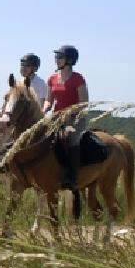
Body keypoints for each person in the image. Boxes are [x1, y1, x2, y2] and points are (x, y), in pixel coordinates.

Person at [42, 45, 88, 190]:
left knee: (71, 138)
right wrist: (44, 109)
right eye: (56, 57)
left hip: (75, 118)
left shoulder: (78, 79)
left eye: (60, 57)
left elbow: (83, 103)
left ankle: (72, 177)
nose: (56, 60)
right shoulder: (52, 78)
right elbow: (49, 100)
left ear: (69, 60)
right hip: (56, 117)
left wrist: (70, 116)